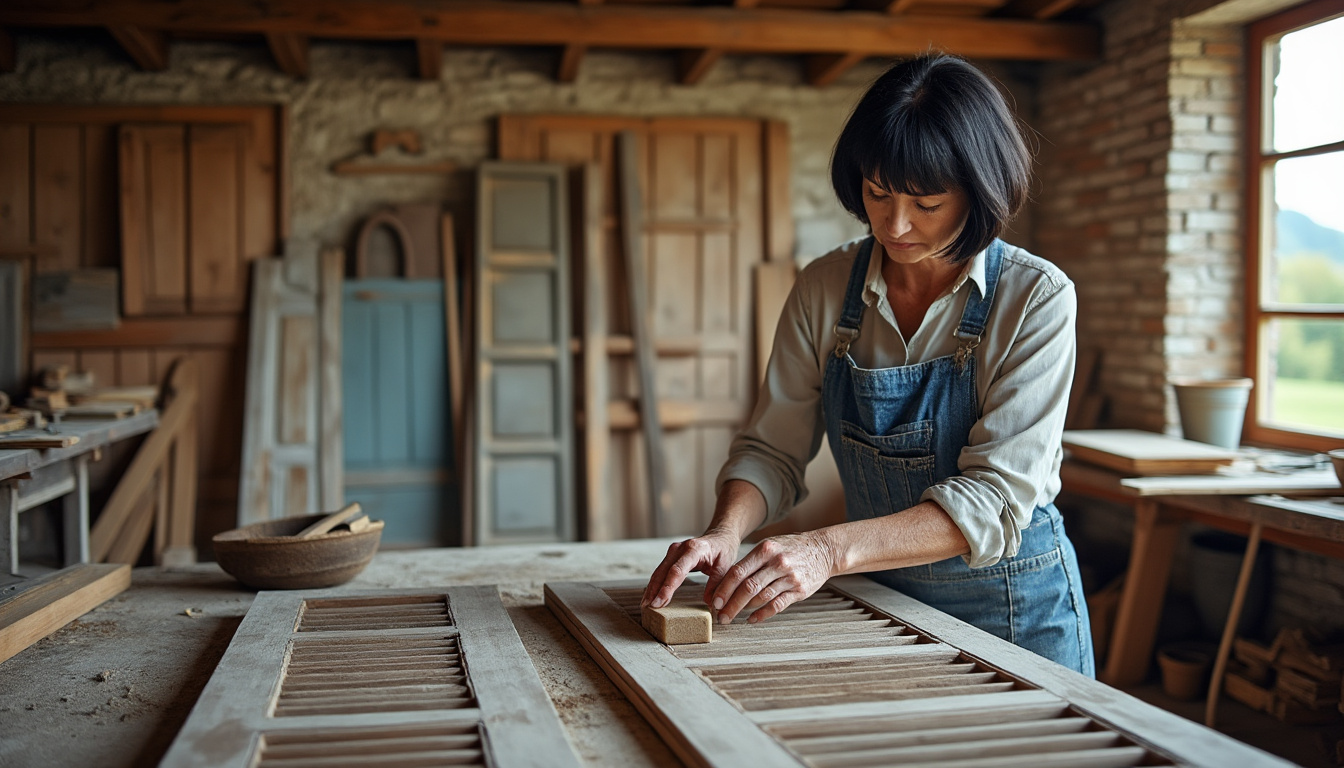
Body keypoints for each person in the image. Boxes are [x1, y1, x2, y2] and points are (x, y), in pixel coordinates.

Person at [640, 53, 1093, 676]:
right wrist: (726, 531)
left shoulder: (1035, 298)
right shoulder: (825, 289)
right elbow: (773, 448)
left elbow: (994, 498)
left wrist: (827, 549)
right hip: (884, 599)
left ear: (980, 193)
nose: (895, 224)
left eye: (926, 204)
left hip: (1013, 607)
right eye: (877, 193)